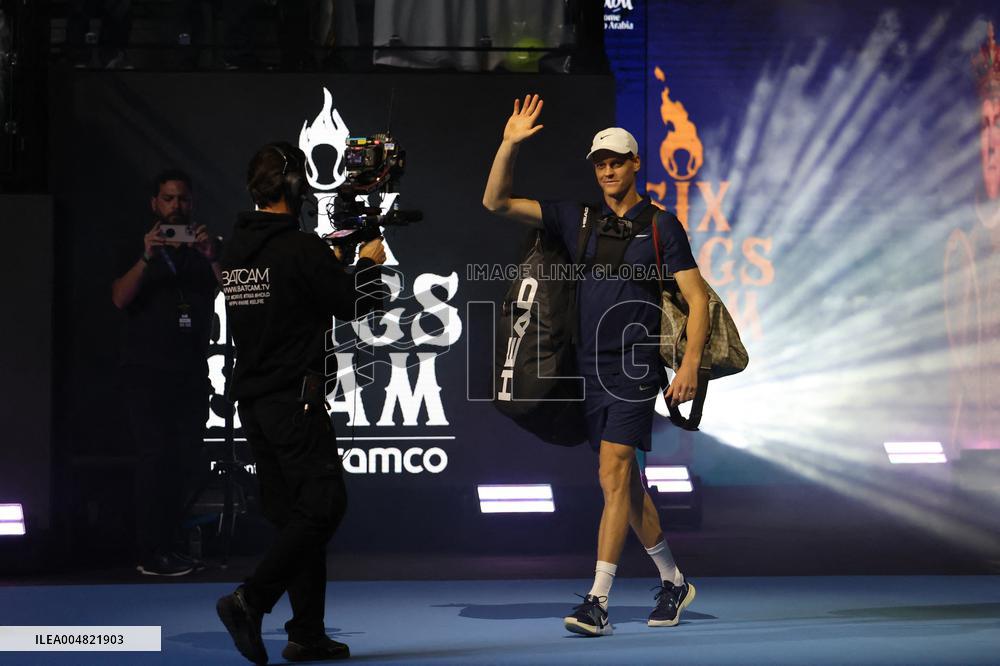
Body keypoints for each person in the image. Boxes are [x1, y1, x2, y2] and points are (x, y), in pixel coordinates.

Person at [482, 94, 710, 636]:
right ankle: (674, 582)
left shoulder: (661, 226)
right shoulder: (576, 218)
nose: (607, 169)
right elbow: (496, 203)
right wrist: (509, 143)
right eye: (600, 163)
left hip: (634, 369)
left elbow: (697, 300)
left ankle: (597, 601)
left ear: (635, 165)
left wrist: (690, 367)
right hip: (587, 368)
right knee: (626, 487)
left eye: (616, 160)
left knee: (612, 473)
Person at [215, 142, 386, 664]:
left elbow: (289, 301)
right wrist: (369, 264)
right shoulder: (299, 249)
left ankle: (307, 633)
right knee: (324, 506)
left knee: (295, 518)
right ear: (293, 188)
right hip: (296, 403)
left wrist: (331, 263)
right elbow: (360, 306)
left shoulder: (237, 249)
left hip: (257, 404)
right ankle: (251, 599)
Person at [111, 168, 222, 576]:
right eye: (169, 199)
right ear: (155, 204)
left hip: (189, 371)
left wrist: (212, 256)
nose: (177, 207)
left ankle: (172, 546)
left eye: (184, 200)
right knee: (154, 459)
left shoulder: (202, 250)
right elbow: (120, 299)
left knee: (184, 461)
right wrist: (146, 257)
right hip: (146, 371)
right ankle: (149, 551)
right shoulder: (139, 246)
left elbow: (234, 291)